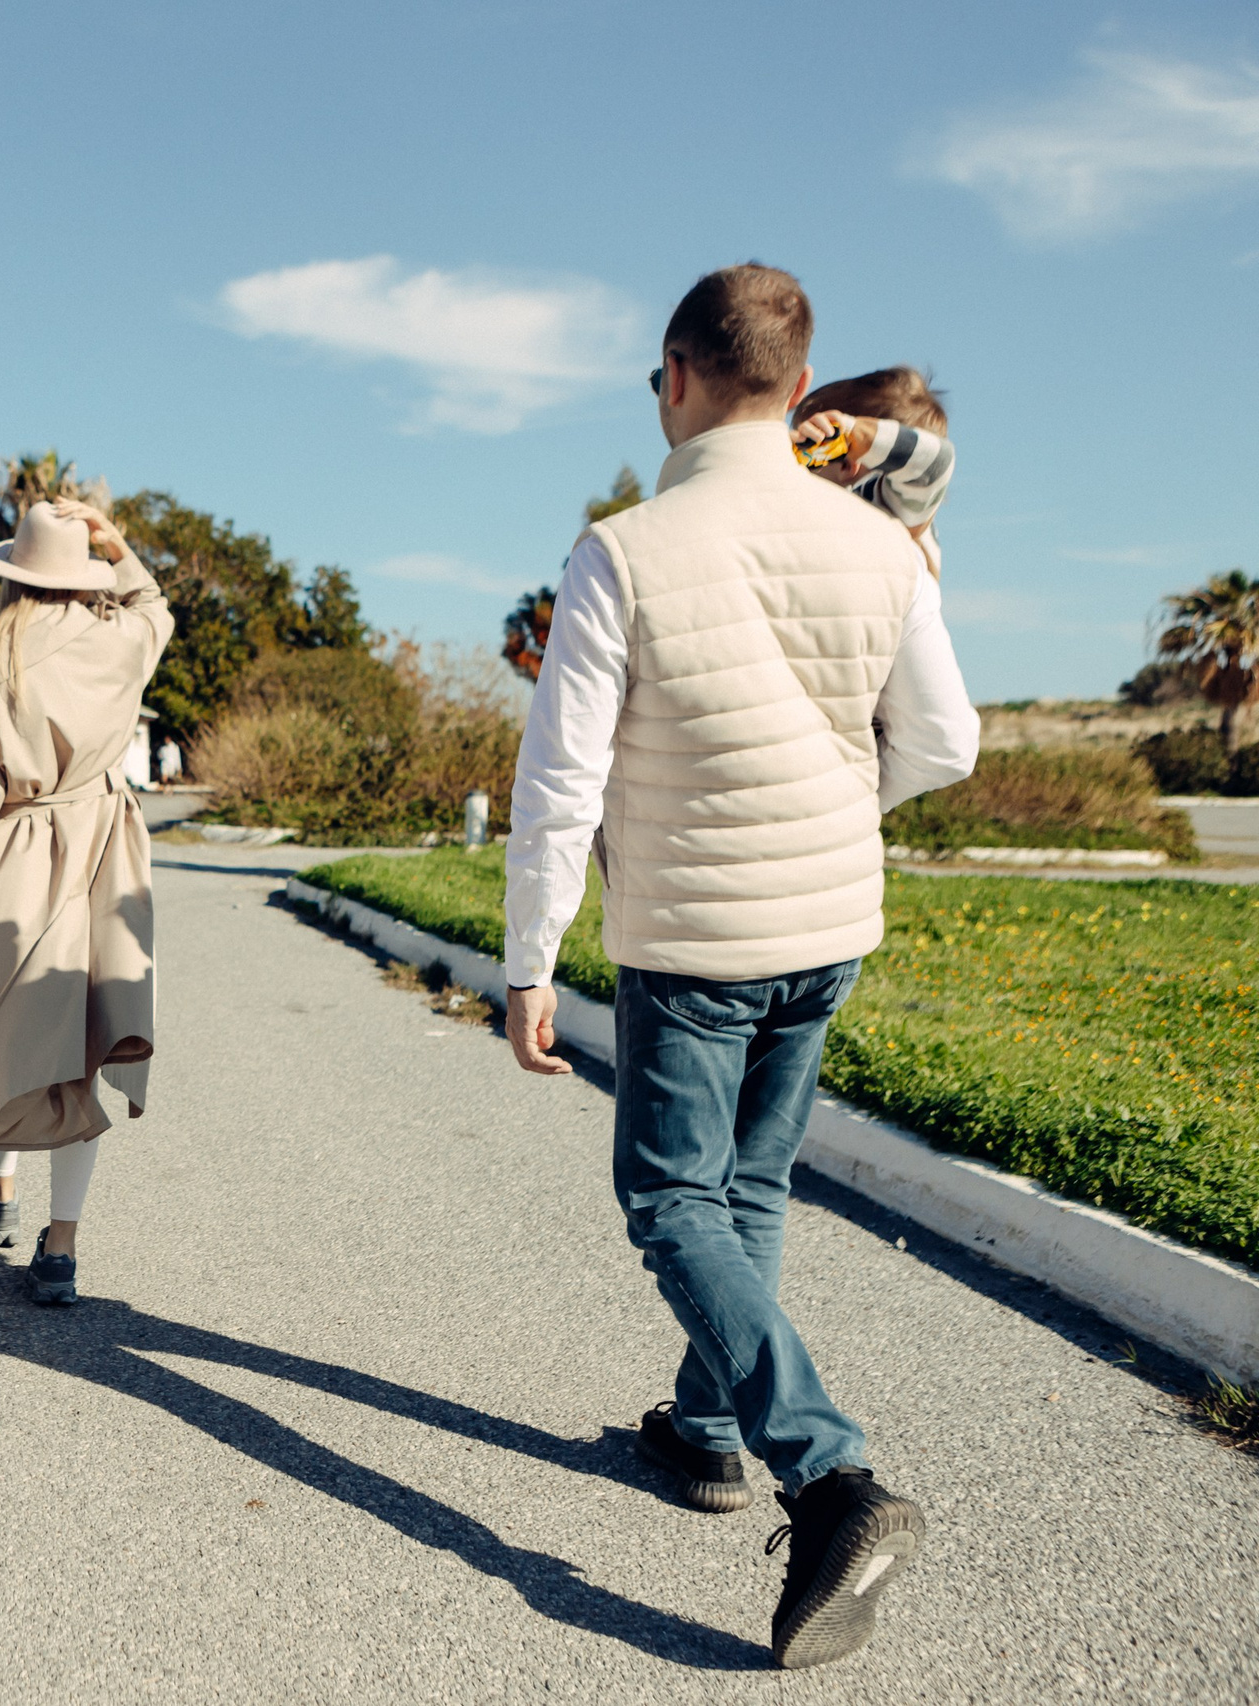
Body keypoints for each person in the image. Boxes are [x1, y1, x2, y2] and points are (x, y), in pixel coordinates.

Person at [501, 265, 979, 1669]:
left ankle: (830, 1475)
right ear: (794, 380)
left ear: (678, 373)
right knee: (747, 1187)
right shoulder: (883, 548)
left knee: (667, 1196)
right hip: (827, 927)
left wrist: (531, 959)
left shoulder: (626, 548)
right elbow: (944, 741)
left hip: (699, 938)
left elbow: (562, 778)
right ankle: (706, 1427)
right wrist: (838, 812)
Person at [0, 500, 172, 1305]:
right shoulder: (122, 644)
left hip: (17, 857)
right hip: (105, 854)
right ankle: (61, 1245)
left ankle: (2, 1197)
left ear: (13, 574)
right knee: (81, 1049)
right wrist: (115, 539)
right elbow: (153, 605)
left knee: (14, 1039)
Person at [790, 366, 955, 576]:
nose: (797, 458)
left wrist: (853, 433)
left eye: (808, 446)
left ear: (845, 465)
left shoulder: (892, 505)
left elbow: (935, 461)